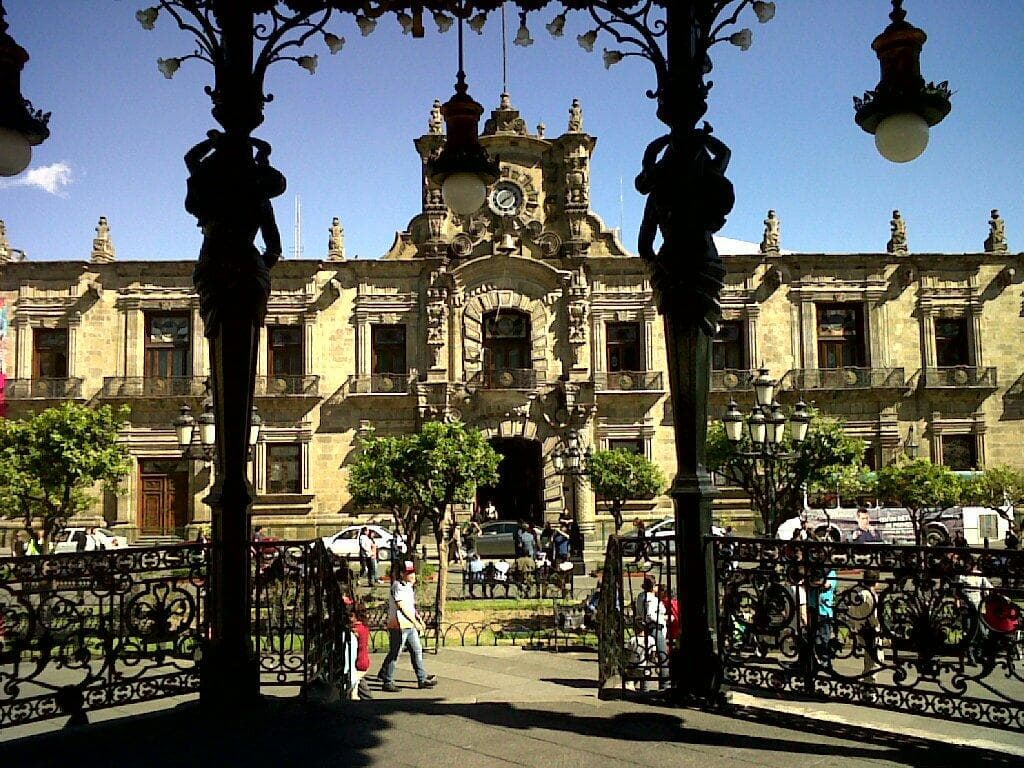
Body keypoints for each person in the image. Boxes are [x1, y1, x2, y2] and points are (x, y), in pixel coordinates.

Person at [378, 561, 437, 692]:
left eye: (413, 572)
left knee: (417, 651)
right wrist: (415, 622)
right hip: (398, 626)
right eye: (409, 573)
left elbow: (410, 607)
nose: (413, 575)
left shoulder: (409, 587)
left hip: (409, 626)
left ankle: (422, 679)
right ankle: (387, 681)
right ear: (402, 574)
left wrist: (418, 619)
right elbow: (402, 607)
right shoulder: (397, 586)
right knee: (395, 653)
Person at [846, 569, 884, 682]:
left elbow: (849, 609)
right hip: (871, 630)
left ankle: (865, 681)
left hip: (859, 627)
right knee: (877, 660)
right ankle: (868, 686)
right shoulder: (870, 595)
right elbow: (875, 616)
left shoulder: (856, 591)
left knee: (869, 658)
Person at [634, 577, 668, 691]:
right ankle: (665, 683)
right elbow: (650, 615)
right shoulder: (651, 599)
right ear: (653, 587)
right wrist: (663, 619)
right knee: (662, 655)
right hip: (654, 628)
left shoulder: (640, 596)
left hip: (644, 627)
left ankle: (645, 685)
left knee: (646, 657)